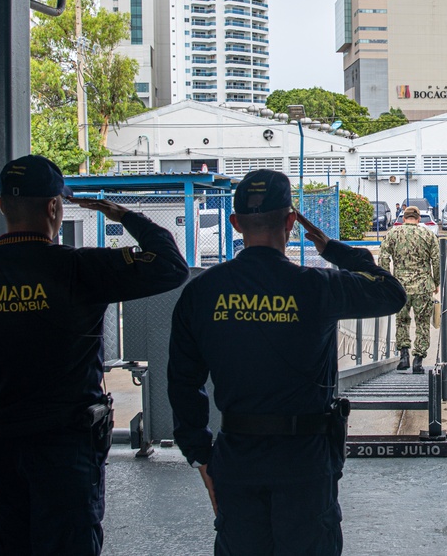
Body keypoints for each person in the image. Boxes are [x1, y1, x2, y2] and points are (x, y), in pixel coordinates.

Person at [0, 154, 189, 556]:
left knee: (10, 543)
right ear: (55, 207)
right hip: (67, 445)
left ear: (2, 205)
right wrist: (124, 214)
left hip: (0, 439)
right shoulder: (80, 268)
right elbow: (170, 266)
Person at [167, 169, 405, 556]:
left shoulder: (202, 293)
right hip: (306, 461)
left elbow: (182, 381)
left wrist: (200, 454)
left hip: (237, 458)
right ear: (291, 222)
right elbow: (391, 293)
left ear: (235, 223)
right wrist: (334, 249)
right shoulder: (318, 287)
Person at [378, 205, 441, 373]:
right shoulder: (428, 234)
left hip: (400, 287)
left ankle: (404, 356)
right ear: (419, 219)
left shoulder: (392, 234)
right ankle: (418, 361)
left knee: (402, 322)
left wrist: (386, 280)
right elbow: (436, 260)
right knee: (422, 324)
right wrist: (436, 282)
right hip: (423, 286)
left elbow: (383, 257)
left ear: (404, 218)